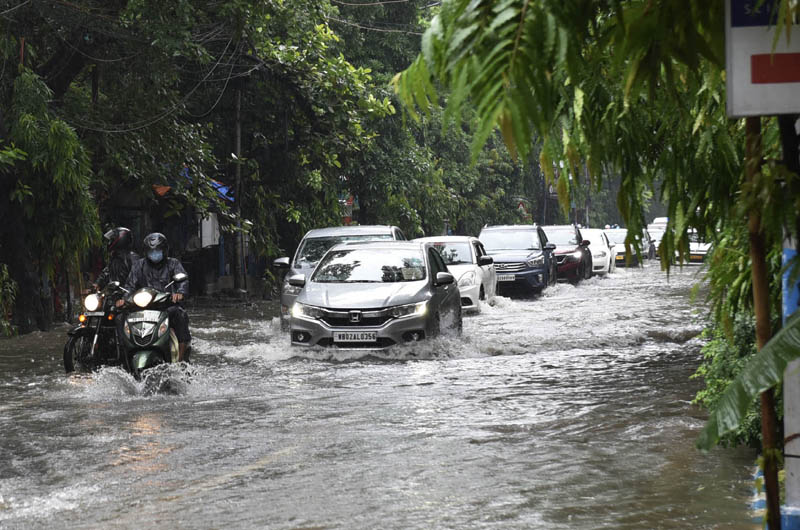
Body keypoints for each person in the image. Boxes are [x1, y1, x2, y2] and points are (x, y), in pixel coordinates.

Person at [118, 232, 191, 361]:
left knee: (180, 314)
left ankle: (181, 357)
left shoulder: (173, 264)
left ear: (165, 250)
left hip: (166, 306)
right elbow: (130, 285)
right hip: (142, 307)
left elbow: (182, 281)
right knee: (120, 317)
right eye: (151, 251)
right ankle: (123, 356)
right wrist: (124, 299)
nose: (154, 253)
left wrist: (179, 293)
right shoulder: (139, 265)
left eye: (158, 250)